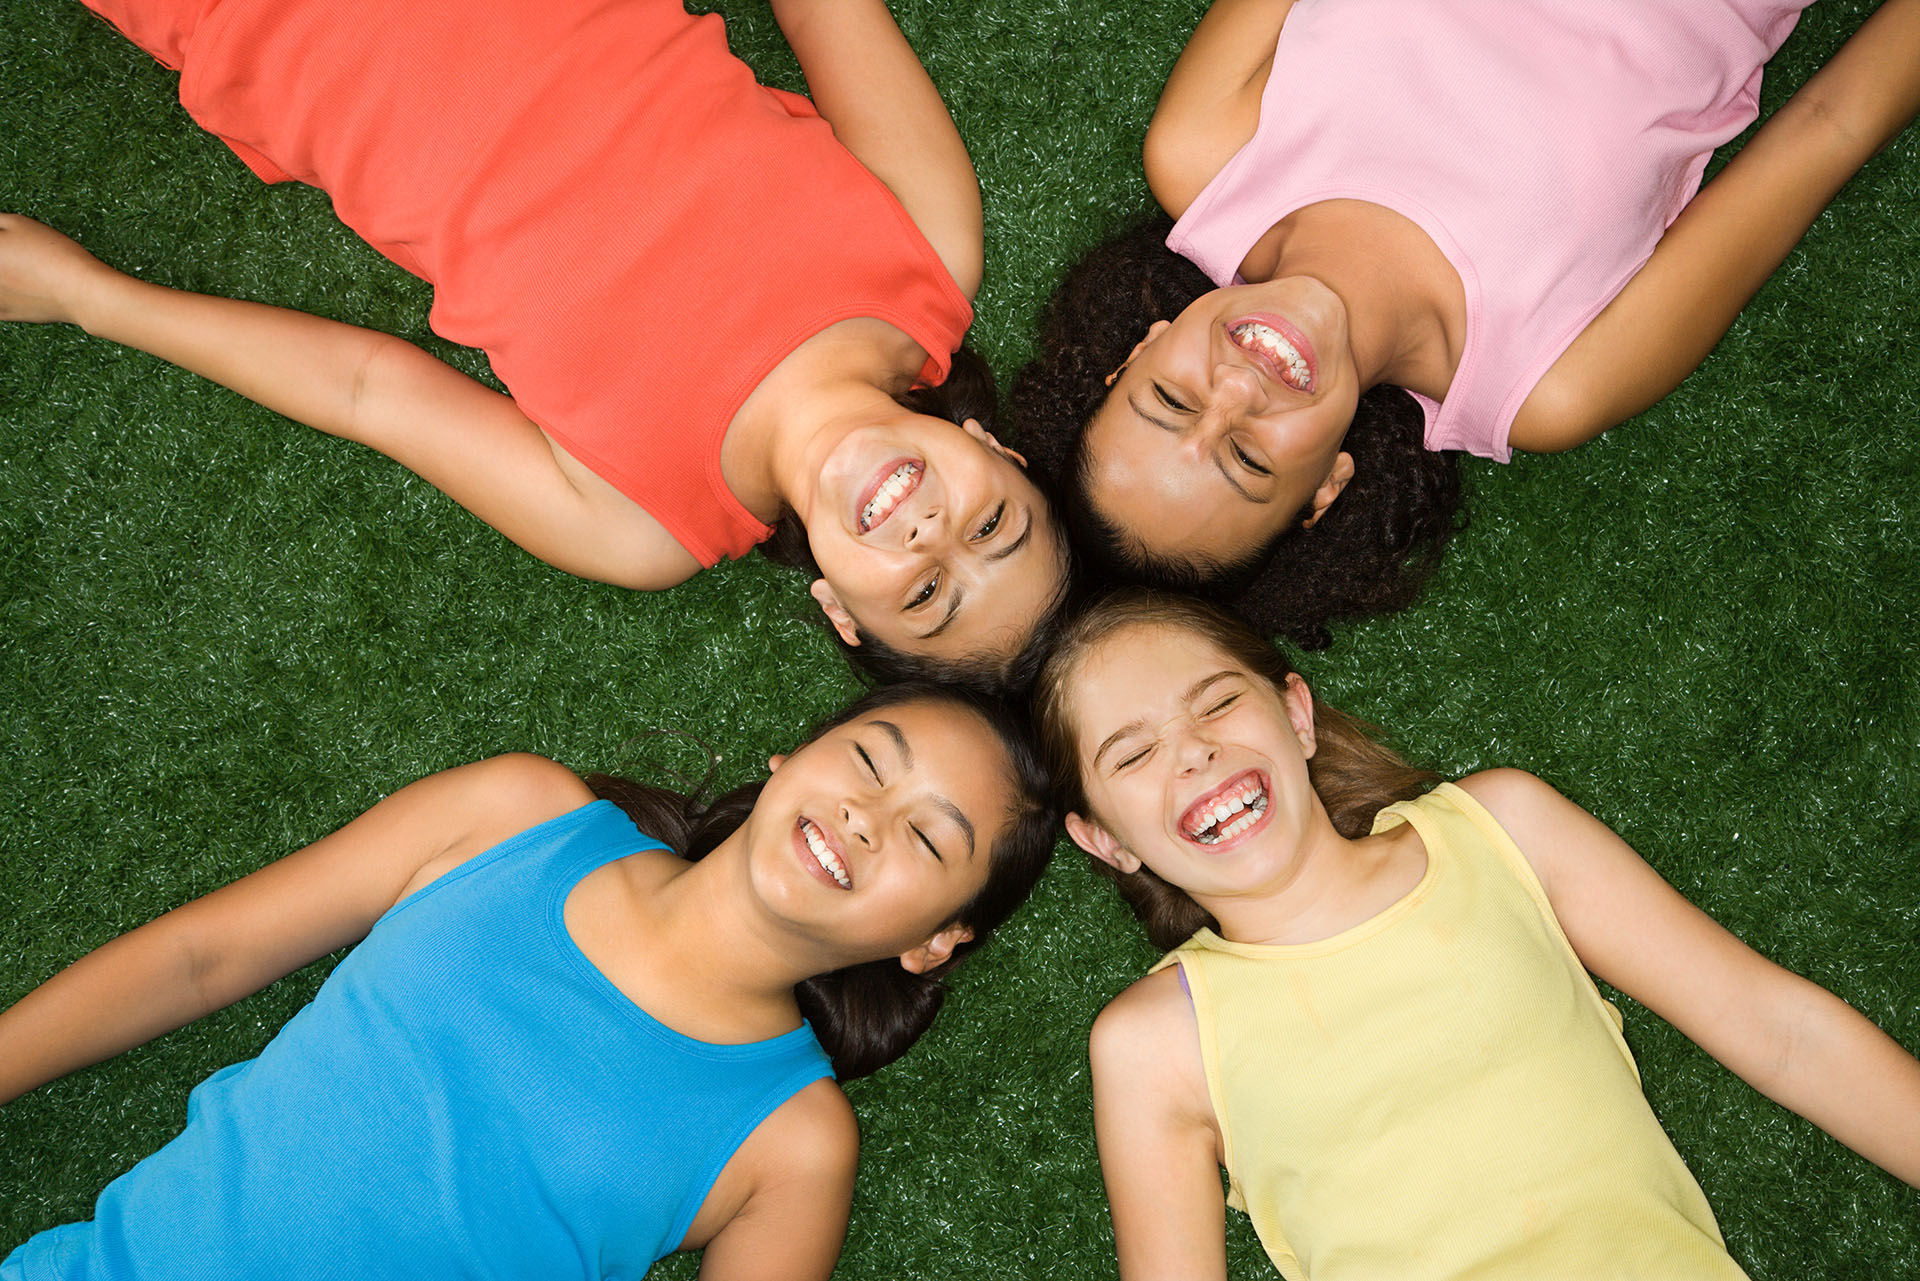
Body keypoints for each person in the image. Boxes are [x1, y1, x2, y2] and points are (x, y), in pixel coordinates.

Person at [0, 0, 1069, 689]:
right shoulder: (927, 249)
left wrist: (92, 298)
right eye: (994, 528)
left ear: (840, 609)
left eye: (924, 595)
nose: (933, 534)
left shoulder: (644, 526)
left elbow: (372, 391)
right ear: (1001, 452)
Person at [0, 682, 1056, 1280]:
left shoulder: (792, 1143)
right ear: (792, 758)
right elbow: (200, 958)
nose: (869, 817)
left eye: (928, 836)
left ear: (934, 942)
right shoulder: (519, 816)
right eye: (870, 759)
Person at [1033, 589, 1920, 1280]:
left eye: (1217, 703)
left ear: (1296, 712)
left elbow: (1785, 1034)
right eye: (1133, 754)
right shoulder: (1155, 1042)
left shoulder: (1501, 829)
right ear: (1103, 839)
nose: (1192, 752)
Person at [1010, 0, 1920, 647]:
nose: (1236, 392)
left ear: (1140, 349)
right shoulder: (1548, 381)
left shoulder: (1205, 153)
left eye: (1170, 399)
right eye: (1248, 459)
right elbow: (1828, 129)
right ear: (1326, 488)